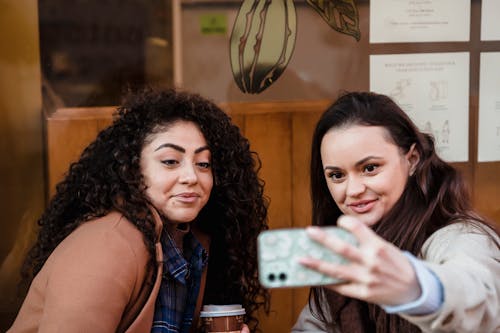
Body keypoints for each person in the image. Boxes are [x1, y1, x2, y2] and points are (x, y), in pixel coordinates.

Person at [8, 88, 269, 333]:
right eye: (170, 161)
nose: (191, 176)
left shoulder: (190, 243)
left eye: (203, 164)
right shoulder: (105, 247)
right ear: (132, 168)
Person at [292, 92, 500, 332]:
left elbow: (479, 298)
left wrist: (417, 289)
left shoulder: (459, 236)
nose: (354, 190)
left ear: (412, 159)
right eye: (337, 175)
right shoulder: (344, 247)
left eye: (370, 168)